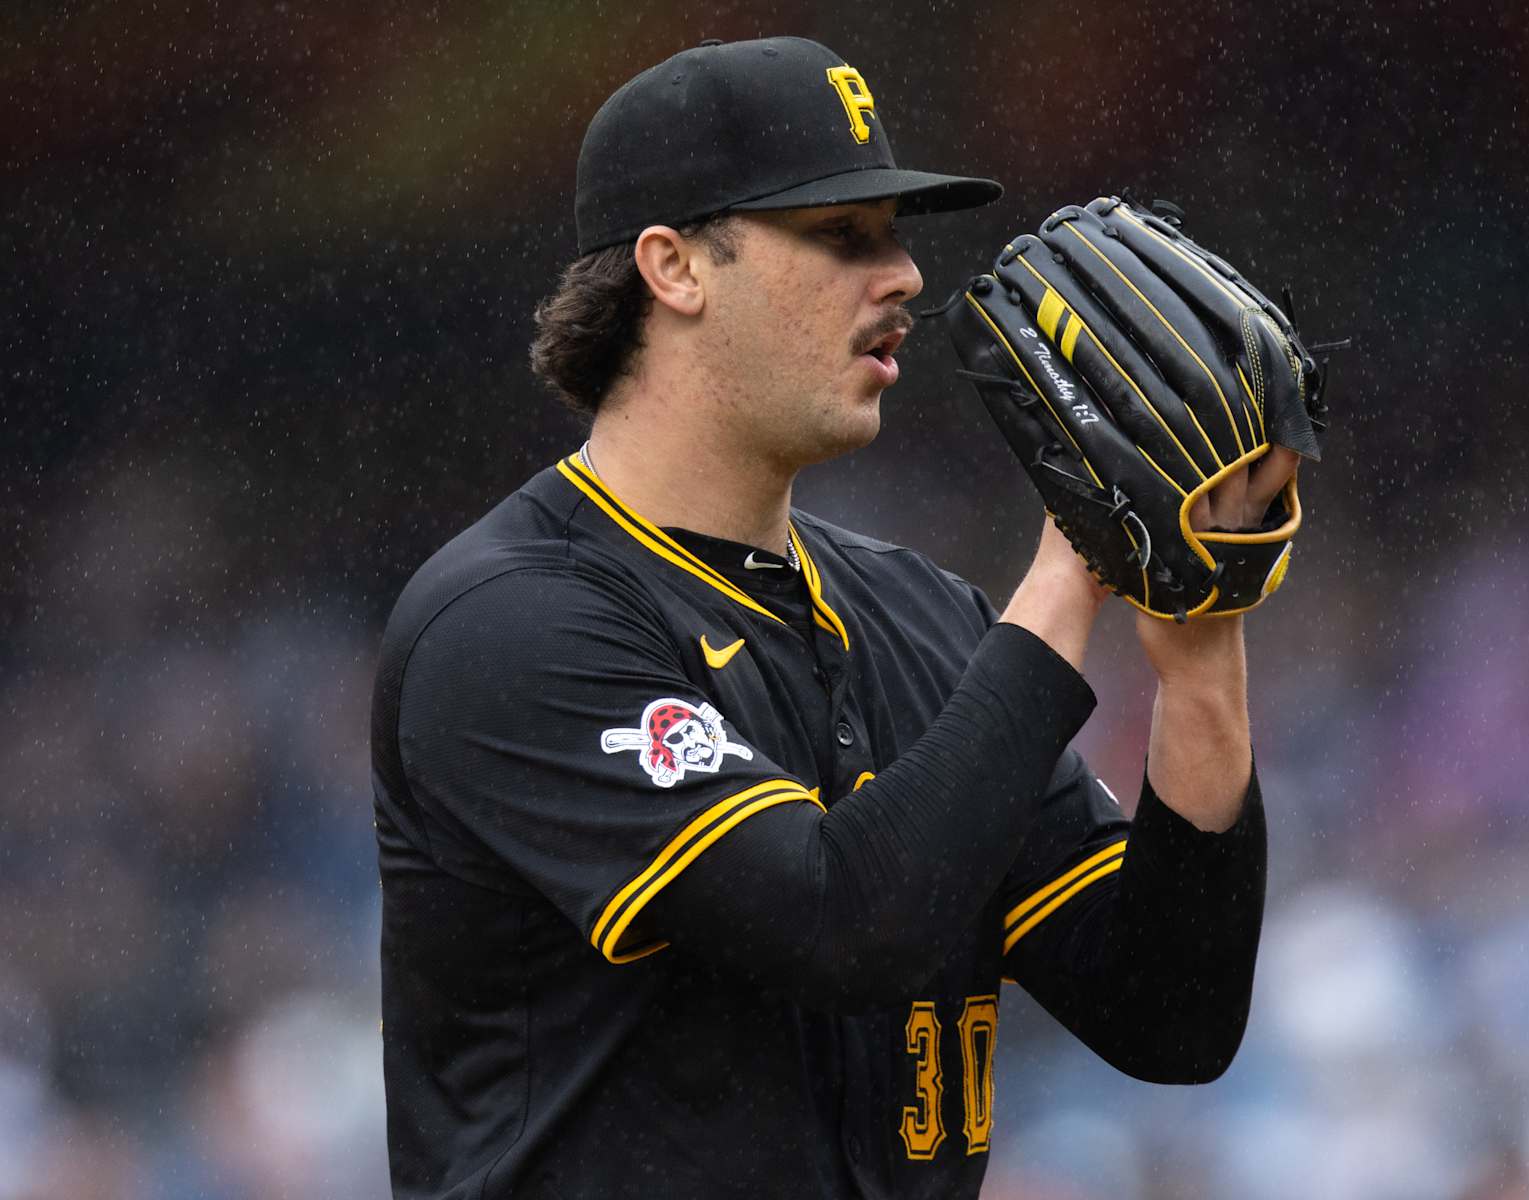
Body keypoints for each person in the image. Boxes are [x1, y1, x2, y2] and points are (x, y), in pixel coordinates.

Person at [371, 35, 1296, 1200]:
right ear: (675, 267)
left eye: (897, 234)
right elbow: (839, 923)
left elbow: (1173, 1016)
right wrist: (1076, 561)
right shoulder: (510, 625)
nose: (904, 274)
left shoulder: (918, 617)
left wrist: (1202, 649)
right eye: (841, 235)